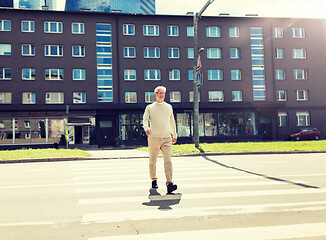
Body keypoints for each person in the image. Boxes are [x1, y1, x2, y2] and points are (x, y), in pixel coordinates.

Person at [143, 86, 178, 194]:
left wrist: (174, 134)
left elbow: (172, 121)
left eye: (162, 92)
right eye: (158, 93)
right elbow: (145, 119)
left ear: (164, 94)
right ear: (155, 94)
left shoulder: (169, 107)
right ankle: (154, 179)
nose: (160, 94)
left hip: (166, 138)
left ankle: (169, 183)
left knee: (168, 160)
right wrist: (147, 128)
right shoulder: (150, 107)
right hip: (154, 138)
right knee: (153, 160)